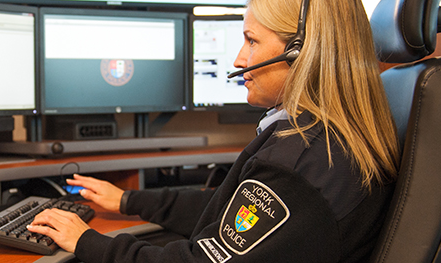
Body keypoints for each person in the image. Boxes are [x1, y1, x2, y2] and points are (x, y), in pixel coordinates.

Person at [26, 0, 401, 262]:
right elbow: (227, 212)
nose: (240, 59)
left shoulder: (297, 164)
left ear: (300, 51)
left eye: (251, 40)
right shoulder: (324, 137)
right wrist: (128, 200)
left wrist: (87, 242)